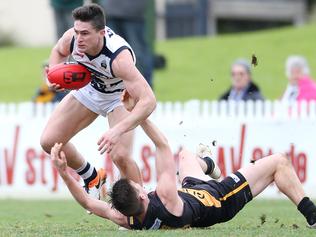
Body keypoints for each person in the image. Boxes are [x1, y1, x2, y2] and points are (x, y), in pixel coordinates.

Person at [51, 90, 316, 230]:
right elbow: (162, 144)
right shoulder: (165, 194)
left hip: (190, 193)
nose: (142, 187)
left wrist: (65, 172)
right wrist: (137, 113)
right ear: (142, 195)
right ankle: (311, 214)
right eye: (139, 187)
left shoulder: (126, 220)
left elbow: (87, 200)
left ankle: (208, 165)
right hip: (218, 199)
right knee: (279, 161)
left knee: (186, 156)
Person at [40, 4, 156, 200]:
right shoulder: (72, 38)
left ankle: (142, 208)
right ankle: (91, 177)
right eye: (77, 32)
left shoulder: (119, 58)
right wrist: (53, 76)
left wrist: (117, 130)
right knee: (49, 142)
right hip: (90, 90)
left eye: (85, 33)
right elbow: (58, 51)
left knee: (120, 156)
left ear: (101, 32)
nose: (79, 38)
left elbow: (149, 101)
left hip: (119, 98)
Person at [99, 0, 154, 87]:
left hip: (132, 13)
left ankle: (145, 90)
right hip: (112, 11)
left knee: (139, 54)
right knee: (112, 53)